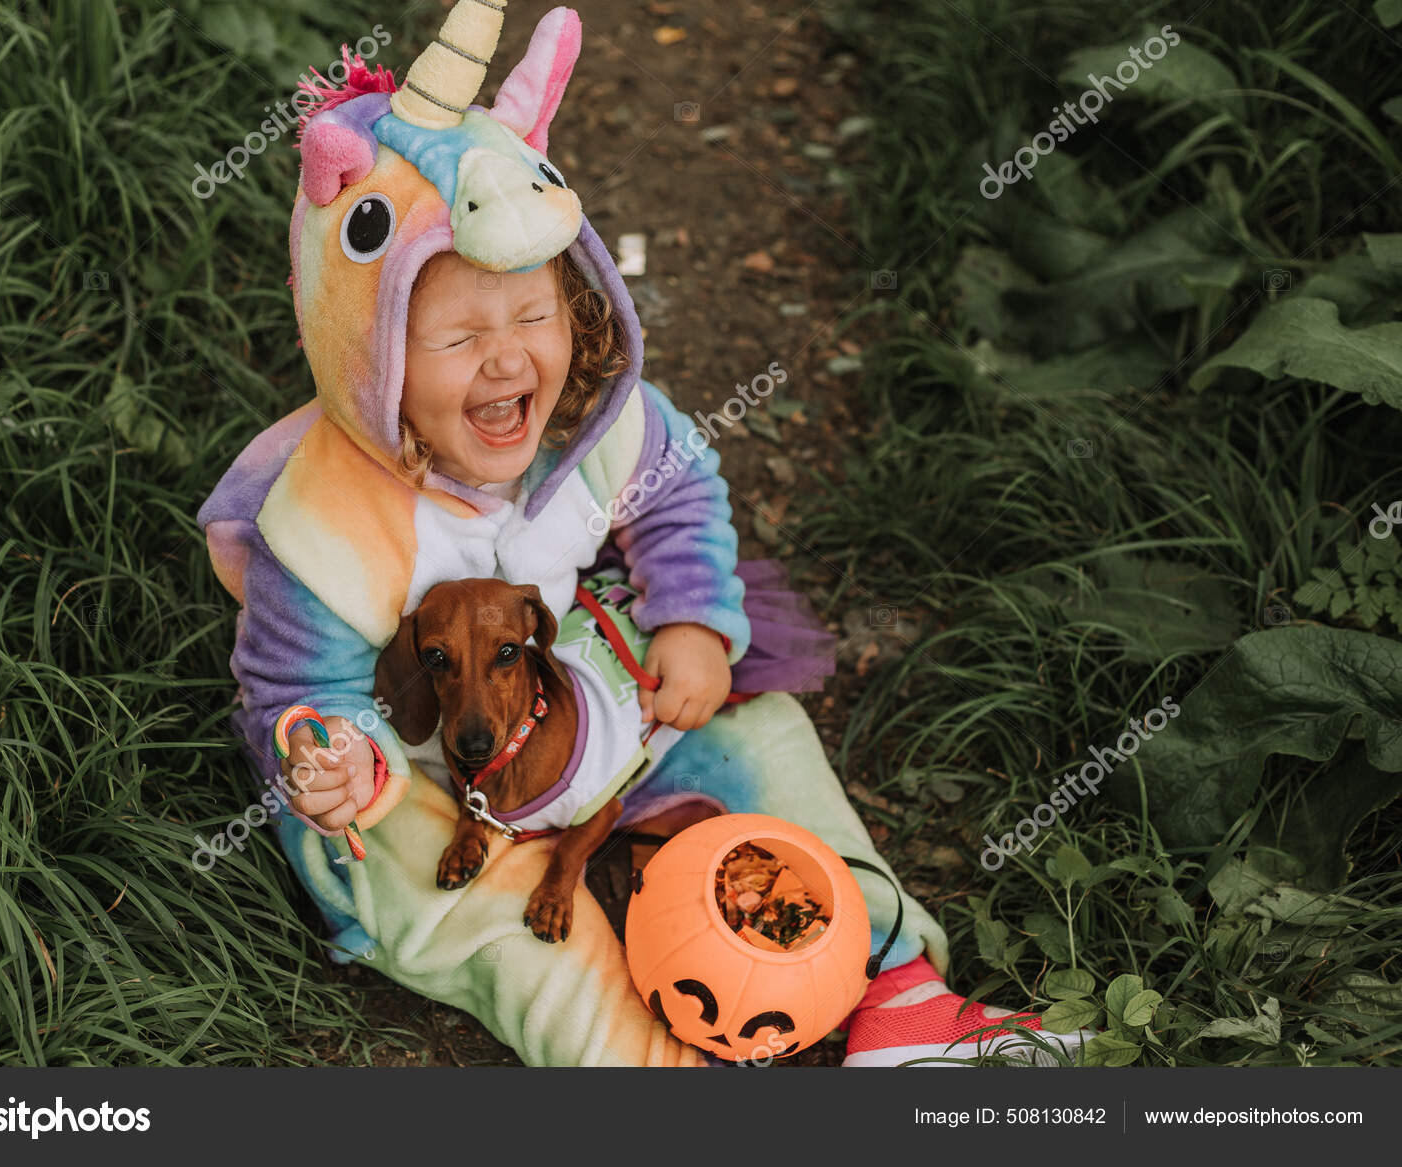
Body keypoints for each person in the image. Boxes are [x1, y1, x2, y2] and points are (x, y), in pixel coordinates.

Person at [197, 1, 1087, 1067]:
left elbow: (677, 495)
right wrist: (331, 759)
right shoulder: (326, 525)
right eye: (457, 336)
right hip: (434, 795)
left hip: (596, 711)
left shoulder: (599, 426)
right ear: (366, 352)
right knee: (517, 947)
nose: (506, 360)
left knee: (764, 747)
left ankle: (895, 989)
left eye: (533, 318)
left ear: (580, 307)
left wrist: (692, 619)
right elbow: (297, 687)